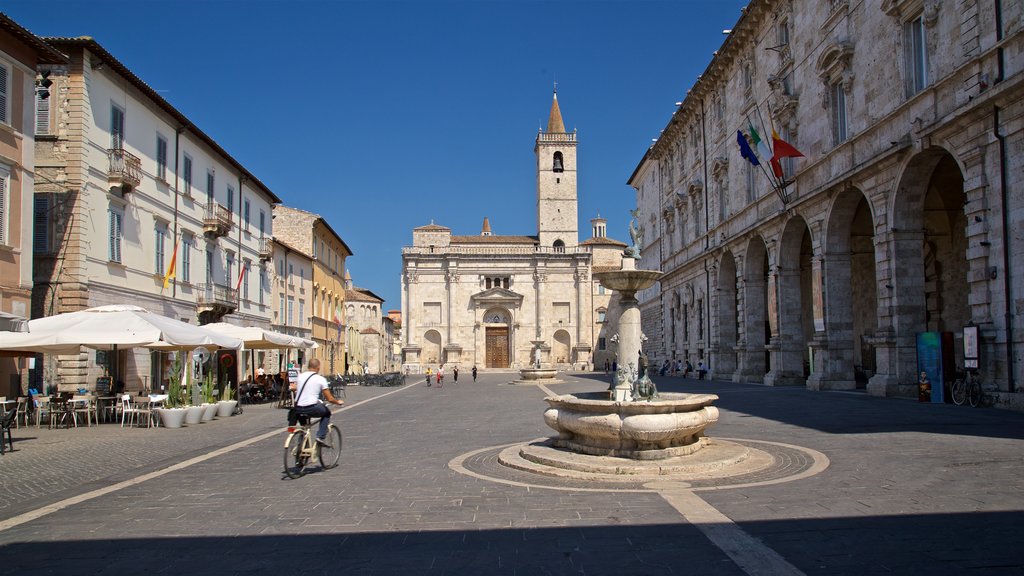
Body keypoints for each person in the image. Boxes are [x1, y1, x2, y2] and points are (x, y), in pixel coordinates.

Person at [290, 358, 344, 444]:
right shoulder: (320, 379)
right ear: (318, 367)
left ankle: (301, 448)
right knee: (327, 413)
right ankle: (320, 436)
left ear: (308, 366)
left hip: (298, 408)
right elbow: (330, 398)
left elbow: (296, 388)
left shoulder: (300, 376)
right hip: (311, 408)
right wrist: (338, 402)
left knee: (304, 427)